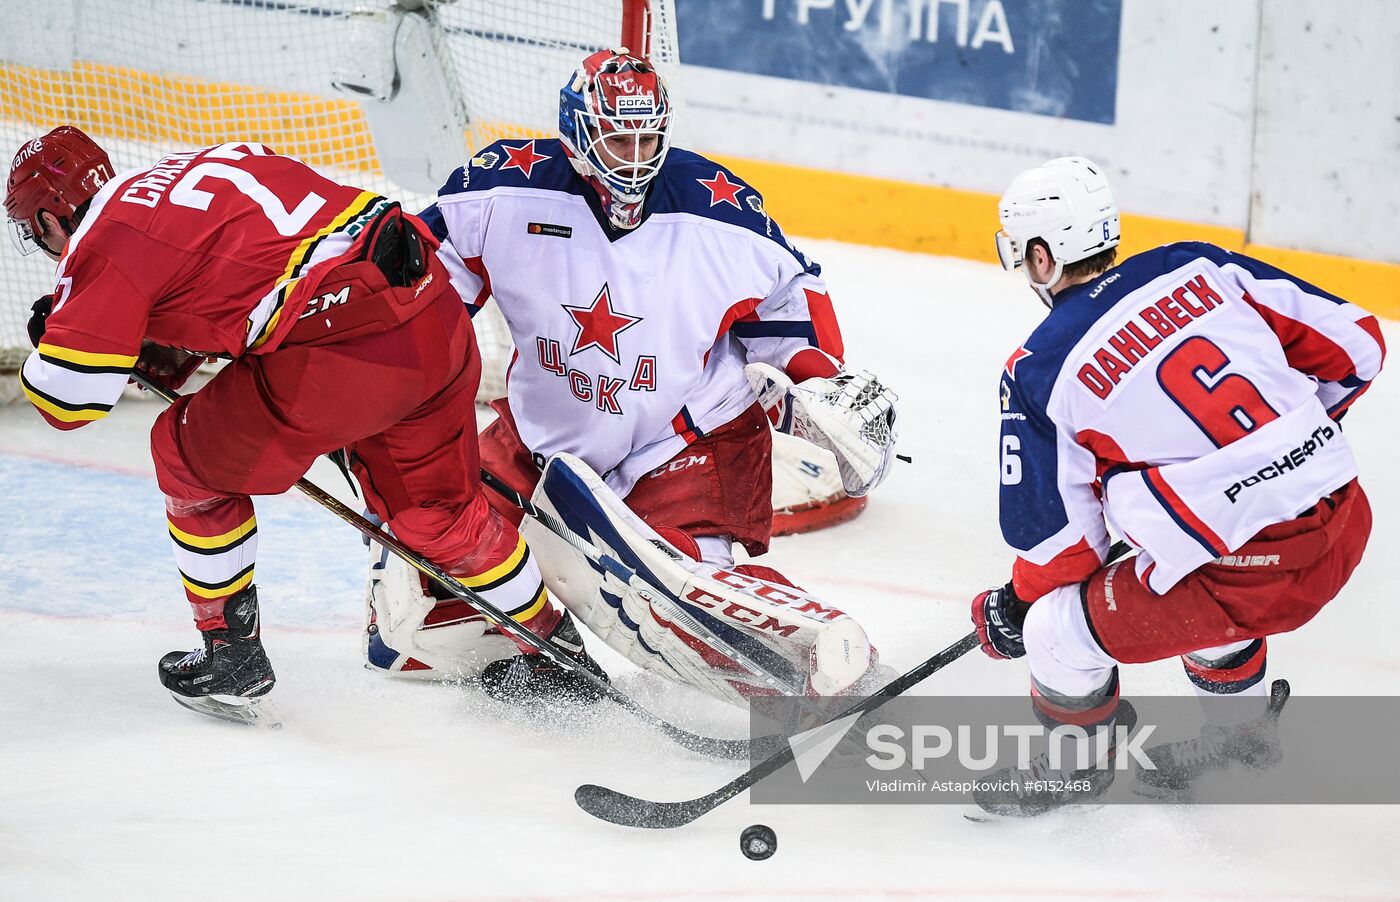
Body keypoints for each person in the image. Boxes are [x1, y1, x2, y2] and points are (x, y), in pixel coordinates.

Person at [3, 127, 603, 721]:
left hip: (344, 350)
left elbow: (70, 403)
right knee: (439, 516)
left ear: (50, 220)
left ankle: (231, 656)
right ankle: (556, 648)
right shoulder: (192, 170)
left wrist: (51, 347)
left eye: (38, 235)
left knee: (184, 456)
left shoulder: (103, 242)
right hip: (431, 312)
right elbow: (236, 289)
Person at [361, 49, 900, 690]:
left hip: (687, 437)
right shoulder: (507, 188)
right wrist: (370, 359)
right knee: (419, 592)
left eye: (649, 138)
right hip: (542, 436)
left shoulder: (716, 208)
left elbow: (789, 301)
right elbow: (422, 274)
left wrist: (818, 379)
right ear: (578, 132)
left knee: (692, 597)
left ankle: (819, 665)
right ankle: (518, 653)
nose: (635, 157)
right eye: (619, 138)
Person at [969, 156, 1384, 816]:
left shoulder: (1039, 368)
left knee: (1056, 627)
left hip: (1249, 578)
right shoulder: (1198, 265)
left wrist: (1014, 608)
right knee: (1187, 562)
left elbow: (1058, 546)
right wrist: (1275, 453)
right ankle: (1241, 738)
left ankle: (1079, 767)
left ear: (1043, 257)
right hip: (1344, 524)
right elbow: (1361, 347)